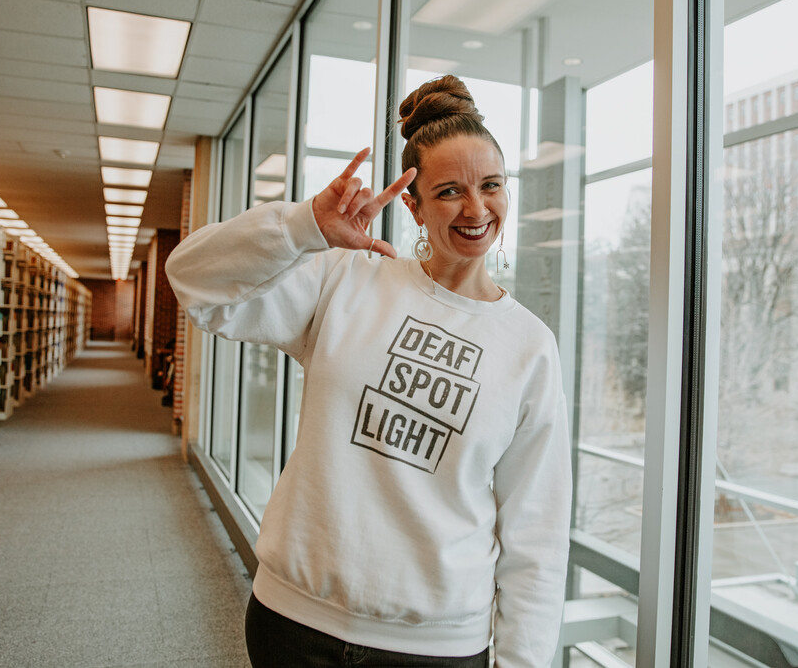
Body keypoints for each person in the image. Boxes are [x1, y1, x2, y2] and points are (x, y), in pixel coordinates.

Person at [166, 75, 572, 667]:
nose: (477, 208)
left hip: (434, 647)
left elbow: (536, 530)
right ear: (412, 204)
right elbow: (195, 282)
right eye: (451, 191)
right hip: (293, 622)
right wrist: (305, 228)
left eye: (491, 186)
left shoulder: (530, 346)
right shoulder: (349, 278)